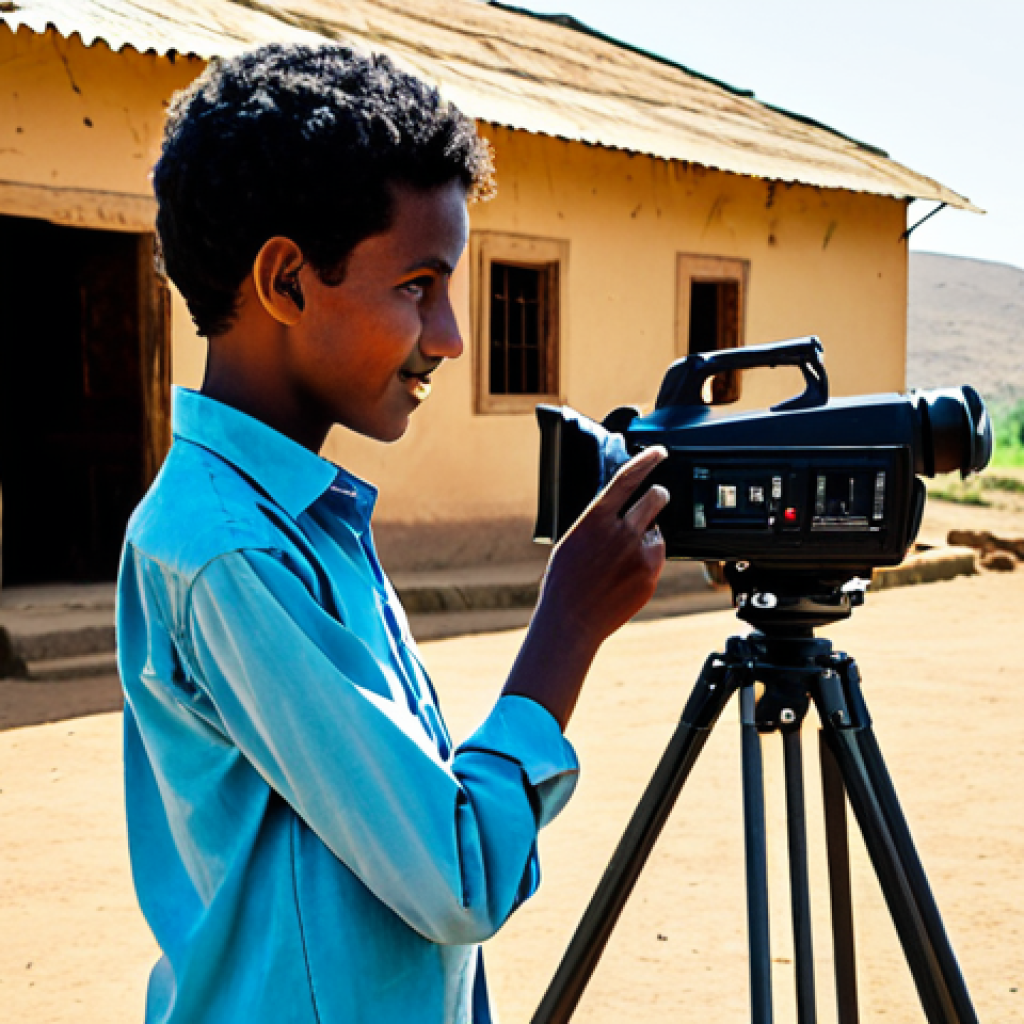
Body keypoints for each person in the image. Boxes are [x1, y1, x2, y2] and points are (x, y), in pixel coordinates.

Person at [118, 42, 669, 1024]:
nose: (451, 335)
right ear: (286, 281)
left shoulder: (303, 516)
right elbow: (452, 871)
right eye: (419, 284)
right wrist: (566, 628)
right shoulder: (229, 552)